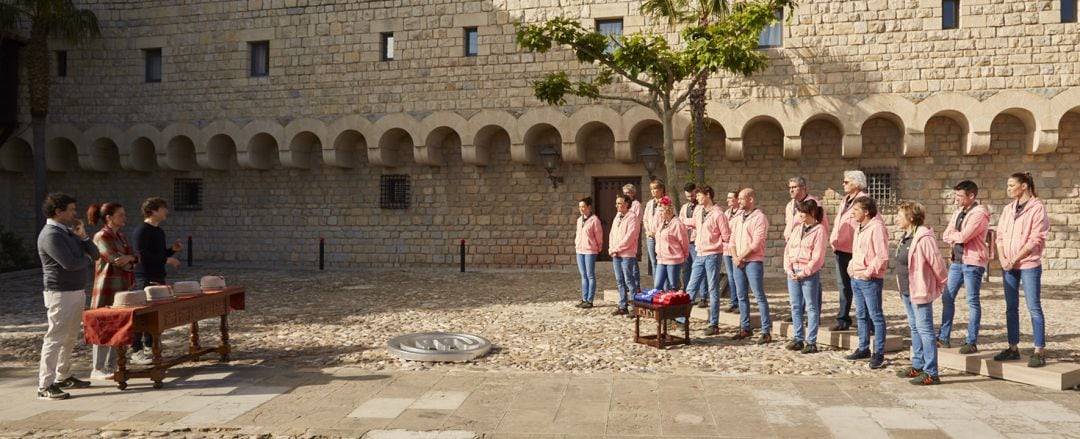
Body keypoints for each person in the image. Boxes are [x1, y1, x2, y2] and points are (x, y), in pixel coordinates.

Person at [36, 192, 100, 400]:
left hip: (76, 290)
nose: (75, 214)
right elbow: (70, 263)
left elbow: (96, 254)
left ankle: (63, 375)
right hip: (60, 292)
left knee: (70, 336)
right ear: (58, 212)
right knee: (55, 338)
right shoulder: (51, 235)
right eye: (71, 210)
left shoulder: (68, 232)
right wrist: (86, 259)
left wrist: (83, 237)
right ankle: (45, 384)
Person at [994, 172, 1050, 368]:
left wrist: (1015, 259)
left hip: (1028, 265)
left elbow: (1036, 239)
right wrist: (1002, 258)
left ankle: (1038, 350)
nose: (1008, 189)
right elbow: (999, 236)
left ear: (1024, 186)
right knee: (1011, 308)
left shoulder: (1037, 208)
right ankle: (1013, 348)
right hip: (1008, 265)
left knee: (1033, 306)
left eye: (1011, 185)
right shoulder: (1008, 209)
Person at [894, 201, 948, 385]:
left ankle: (931, 371)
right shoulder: (906, 236)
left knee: (925, 330)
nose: (897, 219)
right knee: (915, 328)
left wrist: (941, 283)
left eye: (900, 215)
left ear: (910, 218)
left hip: (920, 289)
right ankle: (917, 365)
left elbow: (937, 262)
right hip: (907, 290)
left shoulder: (923, 237)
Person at [87, 202, 138, 380]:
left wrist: (130, 258)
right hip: (107, 287)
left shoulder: (121, 236)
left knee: (117, 325)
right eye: (120, 214)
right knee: (102, 326)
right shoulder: (101, 236)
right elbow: (116, 259)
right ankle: (98, 367)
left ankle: (111, 364)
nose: (124, 217)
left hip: (123, 287)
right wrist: (129, 259)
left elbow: (134, 257)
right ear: (109, 218)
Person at [939, 180, 990, 353]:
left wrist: (955, 236)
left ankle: (971, 341)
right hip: (956, 262)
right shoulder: (958, 212)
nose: (956, 199)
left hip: (972, 263)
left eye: (960, 196)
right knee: (947, 297)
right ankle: (943, 337)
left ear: (971, 196)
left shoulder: (979, 214)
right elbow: (947, 234)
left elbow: (964, 237)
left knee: (972, 301)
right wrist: (955, 236)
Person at [130, 197, 183, 365]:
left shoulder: (159, 231)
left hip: (158, 276)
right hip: (144, 277)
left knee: (154, 314)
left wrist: (170, 251)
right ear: (152, 211)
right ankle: (136, 349)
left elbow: (158, 255)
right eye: (163, 208)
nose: (166, 212)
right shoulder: (142, 231)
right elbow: (142, 255)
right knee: (143, 314)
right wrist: (167, 260)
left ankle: (149, 346)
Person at [845, 196, 889, 369]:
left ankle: (878, 352)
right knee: (861, 315)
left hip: (869, 280)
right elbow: (857, 251)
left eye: (856, 210)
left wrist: (868, 273)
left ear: (866, 212)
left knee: (876, 316)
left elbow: (882, 255)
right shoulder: (859, 228)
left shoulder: (876, 228)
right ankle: (863, 347)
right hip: (856, 278)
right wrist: (851, 267)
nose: (853, 213)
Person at [783, 199, 828, 354]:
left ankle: (811, 341)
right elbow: (788, 250)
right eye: (800, 212)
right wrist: (789, 269)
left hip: (808, 273)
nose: (801, 215)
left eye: (804, 212)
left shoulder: (820, 230)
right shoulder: (797, 229)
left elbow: (818, 257)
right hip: (793, 271)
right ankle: (798, 338)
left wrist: (804, 272)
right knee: (795, 306)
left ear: (812, 213)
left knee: (811, 307)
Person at [730, 188, 772, 344]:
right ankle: (745, 327)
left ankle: (766, 330)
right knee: (741, 296)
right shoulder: (738, 217)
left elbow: (756, 243)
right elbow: (731, 239)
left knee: (758, 296)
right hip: (738, 261)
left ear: (751, 199)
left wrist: (741, 256)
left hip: (753, 261)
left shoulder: (759, 218)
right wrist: (735, 257)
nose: (738, 201)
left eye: (741, 199)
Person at [685, 185, 729, 335]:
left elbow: (727, 236)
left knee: (712, 289)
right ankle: (683, 318)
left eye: (699, 195)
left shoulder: (718, 214)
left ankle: (714, 323)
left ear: (708, 195)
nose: (696, 198)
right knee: (691, 287)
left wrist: (718, 249)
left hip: (712, 255)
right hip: (699, 254)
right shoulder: (699, 212)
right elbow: (693, 223)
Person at [830, 170, 869, 331]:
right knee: (843, 286)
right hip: (841, 248)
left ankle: (868, 322)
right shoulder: (845, 200)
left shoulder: (864, 201)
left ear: (857, 183)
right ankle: (843, 319)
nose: (843, 184)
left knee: (861, 286)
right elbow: (839, 220)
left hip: (856, 250)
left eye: (846, 182)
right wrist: (833, 238)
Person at [609, 194, 641, 316]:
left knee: (629, 280)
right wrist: (611, 248)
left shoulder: (632, 217)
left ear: (626, 204)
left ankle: (634, 306)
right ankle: (623, 305)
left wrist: (617, 248)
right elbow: (612, 233)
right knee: (619, 280)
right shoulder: (617, 217)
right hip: (616, 253)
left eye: (619, 203)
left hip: (627, 253)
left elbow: (630, 237)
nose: (617, 205)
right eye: (616, 203)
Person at [653, 198, 688, 291]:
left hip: (673, 259)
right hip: (661, 259)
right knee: (657, 285)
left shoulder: (677, 224)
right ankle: (660, 302)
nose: (660, 214)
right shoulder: (662, 223)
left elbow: (684, 241)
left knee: (672, 285)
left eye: (661, 211)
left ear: (668, 210)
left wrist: (685, 255)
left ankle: (673, 304)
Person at [574, 197, 603, 309]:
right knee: (583, 275)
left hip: (590, 250)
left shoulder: (595, 220)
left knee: (590, 275)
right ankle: (584, 298)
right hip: (579, 250)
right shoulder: (579, 220)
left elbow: (599, 235)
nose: (581, 209)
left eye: (583, 206)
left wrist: (599, 247)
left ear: (589, 207)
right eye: (580, 207)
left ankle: (590, 300)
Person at [642, 180, 667, 287]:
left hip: (661, 236)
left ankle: (665, 285)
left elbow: (666, 220)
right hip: (650, 236)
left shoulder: (666, 202)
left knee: (663, 261)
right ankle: (657, 285)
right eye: (651, 189)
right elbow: (645, 219)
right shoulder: (649, 203)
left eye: (655, 189)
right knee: (654, 262)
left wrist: (656, 232)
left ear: (661, 190)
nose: (653, 191)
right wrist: (648, 231)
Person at [721, 189, 740, 313]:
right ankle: (733, 301)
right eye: (727, 198)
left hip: (737, 249)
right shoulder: (726, 213)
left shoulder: (742, 213)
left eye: (730, 198)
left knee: (738, 276)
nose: (728, 200)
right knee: (731, 276)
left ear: (737, 200)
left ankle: (739, 302)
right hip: (726, 248)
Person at [679, 183, 698, 301]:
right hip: (686, 241)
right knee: (686, 268)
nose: (690, 198)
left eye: (692, 196)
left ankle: (702, 295)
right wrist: (687, 222)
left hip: (696, 241)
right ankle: (686, 292)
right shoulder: (684, 207)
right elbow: (681, 221)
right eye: (688, 196)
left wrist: (687, 221)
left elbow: (697, 222)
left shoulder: (700, 207)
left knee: (698, 268)